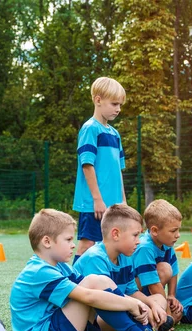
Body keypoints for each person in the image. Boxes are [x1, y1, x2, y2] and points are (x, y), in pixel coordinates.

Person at [9, 208, 180, 331]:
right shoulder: (38, 271)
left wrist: (139, 303)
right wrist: (132, 303)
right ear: (47, 242)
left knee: (99, 281)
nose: (73, 245)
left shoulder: (59, 266)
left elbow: (94, 288)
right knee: (95, 281)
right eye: (68, 239)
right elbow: (88, 295)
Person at [74, 204, 186, 331]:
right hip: (96, 322)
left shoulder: (125, 256)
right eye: (135, 235)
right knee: (130, 305)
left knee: (158, 299)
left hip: (120, 309)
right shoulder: (95, 258)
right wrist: (139, 305)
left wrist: (152, 305)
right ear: (116, 234)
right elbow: (104, 299)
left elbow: (132, 291)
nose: (138, 240)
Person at [73, 77, 127, 264]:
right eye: (114, 104)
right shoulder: (90, 129)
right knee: (88, 243)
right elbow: (87, 164)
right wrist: (97, 199)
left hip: (113, 204)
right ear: (98, 100)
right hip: (94, 204)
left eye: (120, 104)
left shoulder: (114, 134)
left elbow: (119, 170)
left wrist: (123, 201)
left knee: (113, 245)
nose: (118, 109)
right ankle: (74, 285)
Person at [131, 199, 184, 330]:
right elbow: (153, 285)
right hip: (134, 292)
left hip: (151, 292)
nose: (178, 235)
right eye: (173, 231)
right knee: (164, 268)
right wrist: (168, 316)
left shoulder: (167, 242)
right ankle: (157, 314)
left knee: (167, 268)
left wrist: (171, 295)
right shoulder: (145, 248)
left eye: (178, 230)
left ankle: (157, 310)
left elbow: (174, 270)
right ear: (155, 230)